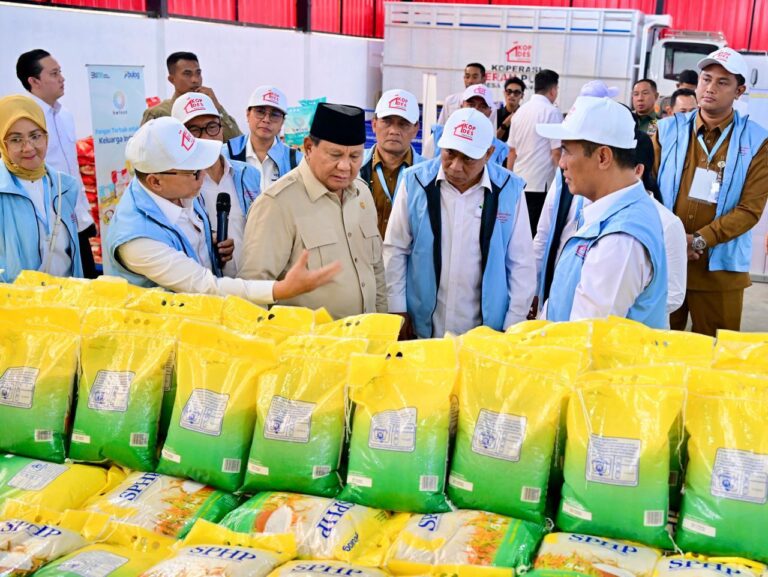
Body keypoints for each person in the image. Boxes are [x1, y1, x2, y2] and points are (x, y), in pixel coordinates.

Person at [105, 117, 339, 303]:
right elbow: (204, 286)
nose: (204, 174)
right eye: (194, 171)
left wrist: (208, 243)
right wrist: (279, 289)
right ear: (156, 181)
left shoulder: (177, 190)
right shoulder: (138, 240)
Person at [532, 83, 685, 325]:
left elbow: (586, 335)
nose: (561, 163)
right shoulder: (607, 213)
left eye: (567, 151)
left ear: (603, 157)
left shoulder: (620, 240)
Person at [384, 108, 535, 339]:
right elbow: (395, 248)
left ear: (489, 153)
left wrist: (514, 321)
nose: (455, 166)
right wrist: (397, 308)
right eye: (450, 154)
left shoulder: (509, 190)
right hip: (424, 323)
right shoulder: (415, 182)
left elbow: (520, 262)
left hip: (486, 330)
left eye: (468, 159)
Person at [655, 47, 768, 335]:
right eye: (706, 79)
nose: (710, 88)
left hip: (719, 272)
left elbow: (750, 209)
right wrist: (670, 239)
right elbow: (646, 190)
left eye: (722, 82)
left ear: (739, 91)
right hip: (665, 262)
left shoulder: (758, 141)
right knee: (656, 347)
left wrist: (699, 240)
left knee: (715, 351)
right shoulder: (667, 131)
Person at [239, 103, 387, 319]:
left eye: (355, 157)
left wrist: (383, 325)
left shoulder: (362, 193)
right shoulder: (277, 204)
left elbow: (376, 270)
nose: (345, 167)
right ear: (308, 147)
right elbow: (252, 291)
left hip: (368, 336)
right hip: (307, 340)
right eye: (335, 155)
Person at [16, 49, 97, 277]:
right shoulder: (24, 122)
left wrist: (84, 212)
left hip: (76, 217)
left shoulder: (65, 116)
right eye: (54, 74)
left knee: (88, 284)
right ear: (34, 81)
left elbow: (71, 169)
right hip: (48, 226)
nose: (62, 78)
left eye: (60, 72)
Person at [171, 92, 261, 278]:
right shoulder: (176, 186)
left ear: (221, 129)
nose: (205, 137)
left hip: (254, 282)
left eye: (212, 126)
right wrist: (206, 241)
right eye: (194, 130)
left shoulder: (248, 174)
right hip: (209, 287)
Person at [0, 95, 83, 282]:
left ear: (46, 137)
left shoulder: (65, 187)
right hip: (17, 299)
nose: (28, 148)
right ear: (3, 145)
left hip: (66, 296)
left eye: (35, 136)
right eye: (16, 139)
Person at [359, 89, 423, 237]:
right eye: (387, 121)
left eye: (403, 124)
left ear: (416, 129)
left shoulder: (428, 175)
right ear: (374, 124)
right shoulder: (353, 166)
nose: (394, 131)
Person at [507, 69, 563, 233]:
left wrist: (509, 180)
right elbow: (556, 153)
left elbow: (512, 152)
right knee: (536, 233)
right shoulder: (552, 112)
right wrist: (562, 182)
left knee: (518, 231)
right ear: (553, 90)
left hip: (519, 182)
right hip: (540, 185)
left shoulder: (519, 112)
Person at [140, 52, 241, 141]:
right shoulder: (158, 114)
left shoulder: (209, 109)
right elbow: (144, 150)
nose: (195, 80)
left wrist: (218, 107)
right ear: (172, 79)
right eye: (187, 74)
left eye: (198, 73)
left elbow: (237, 144)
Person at [225, 85, 301, 190]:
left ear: (282, 122)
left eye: (274, 114)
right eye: (260, 112)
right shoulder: (226, 154)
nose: (266, 120)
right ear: (248, 114)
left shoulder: (296, 160)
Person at [425, 85, 509, 167]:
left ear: (490, 112)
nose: (475, 110)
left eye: (483, 106)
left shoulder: (497, 148)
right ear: (462, 106)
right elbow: (424, 169)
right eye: (471, 104)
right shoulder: (438, 136)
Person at [437, 62, 497, 127]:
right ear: (462, 106)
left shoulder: (491, 106)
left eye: (475, 77)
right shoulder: (450, 100)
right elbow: (441, 126)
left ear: (483, 79)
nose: (470, 81)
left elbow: (490, 129)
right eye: (467, 77)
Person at [497, 77, 525, 143]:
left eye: (516, 92)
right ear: (504, 93)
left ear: (522, 96)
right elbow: (492, 140)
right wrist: (505, 124)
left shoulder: (525, 116)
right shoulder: (496, 114)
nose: (512, 95)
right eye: (509, 91)